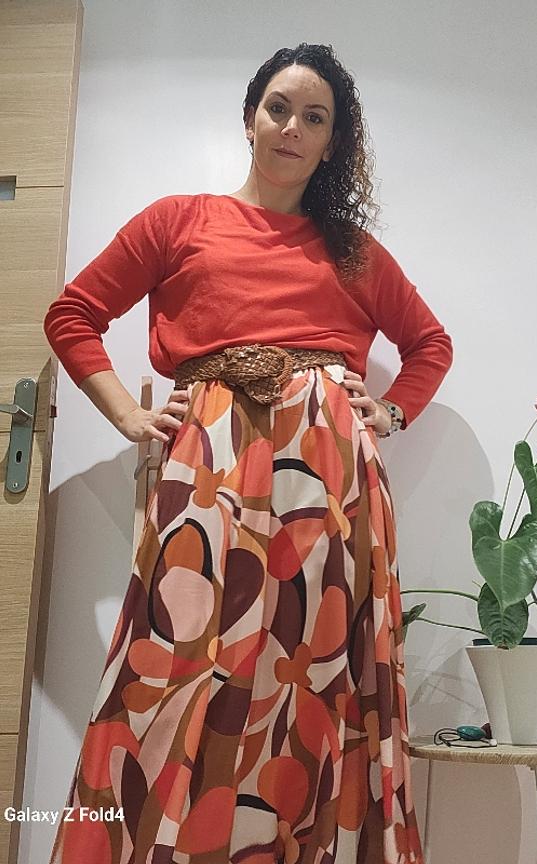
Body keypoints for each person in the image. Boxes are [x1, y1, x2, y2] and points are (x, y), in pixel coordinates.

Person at [43, 42, 452, 864]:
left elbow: (429, 344)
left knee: (315, 665)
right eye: (279, 108)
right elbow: (73, 314)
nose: (292, 127)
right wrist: (126, 413)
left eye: (314, 118)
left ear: (331, 144)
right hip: (211, 464)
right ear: (249, 119)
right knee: (184, 655)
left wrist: (392, 412)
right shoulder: (178, 221)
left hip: (328, 479)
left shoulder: (352, 251)